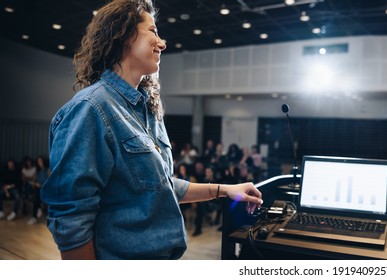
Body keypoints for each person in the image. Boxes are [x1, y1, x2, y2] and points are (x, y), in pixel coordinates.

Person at [41, 0, 262, 260]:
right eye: (153, 31)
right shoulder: (90, 109)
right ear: (123, 34)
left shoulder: (148, 110)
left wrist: (225, 189)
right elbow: (71, 218)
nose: (163, 43)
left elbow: (162, 188)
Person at [28, 156, 49, 225]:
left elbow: (49, 181)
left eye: (41, 161)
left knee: (36, 195)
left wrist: (41, 185)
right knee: (35, 194)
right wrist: (34, 183)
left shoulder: (48, 170)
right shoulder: (38, 171)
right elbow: (34, 181)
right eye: (38, 161)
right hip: (38, 189)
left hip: (45, 189)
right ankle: (37, 212)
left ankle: (37, 213)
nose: (39, 163)